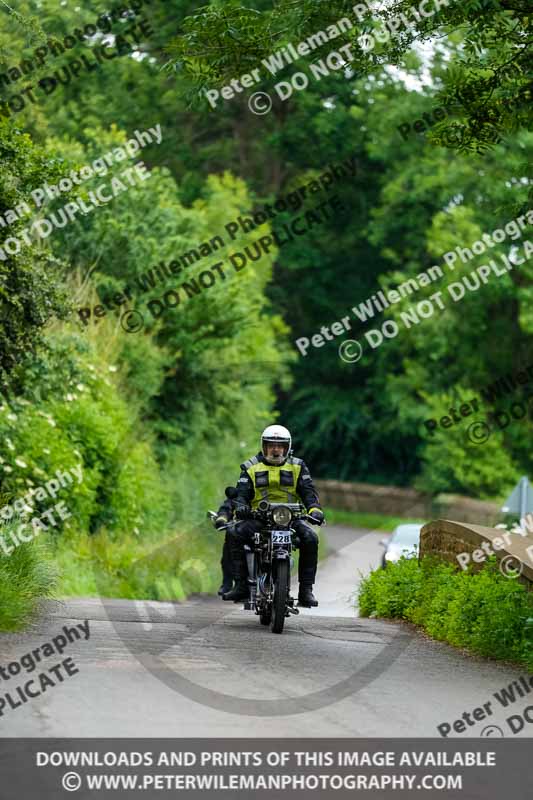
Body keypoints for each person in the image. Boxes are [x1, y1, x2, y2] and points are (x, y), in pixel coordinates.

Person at [218, 424, 324, 607]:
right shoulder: (251, 467)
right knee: (234, 533)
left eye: (280, 445)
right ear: (264, 446)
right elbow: (242, 493)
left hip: (291, 518)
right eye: (271, 445)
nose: (275, 449)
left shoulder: (298, 466)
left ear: (287, 447)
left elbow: (308, 492)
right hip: (259, 518)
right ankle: (241, 585)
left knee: (311, 538)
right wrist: (241, 506)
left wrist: (314, 509)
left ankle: (306, 590)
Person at [214, 493, 235, 596]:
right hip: (243, 527)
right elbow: (226, 508)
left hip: (269, 526)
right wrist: (222, 519)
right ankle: (228, 583)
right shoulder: (244, 488)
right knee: (231, 536)